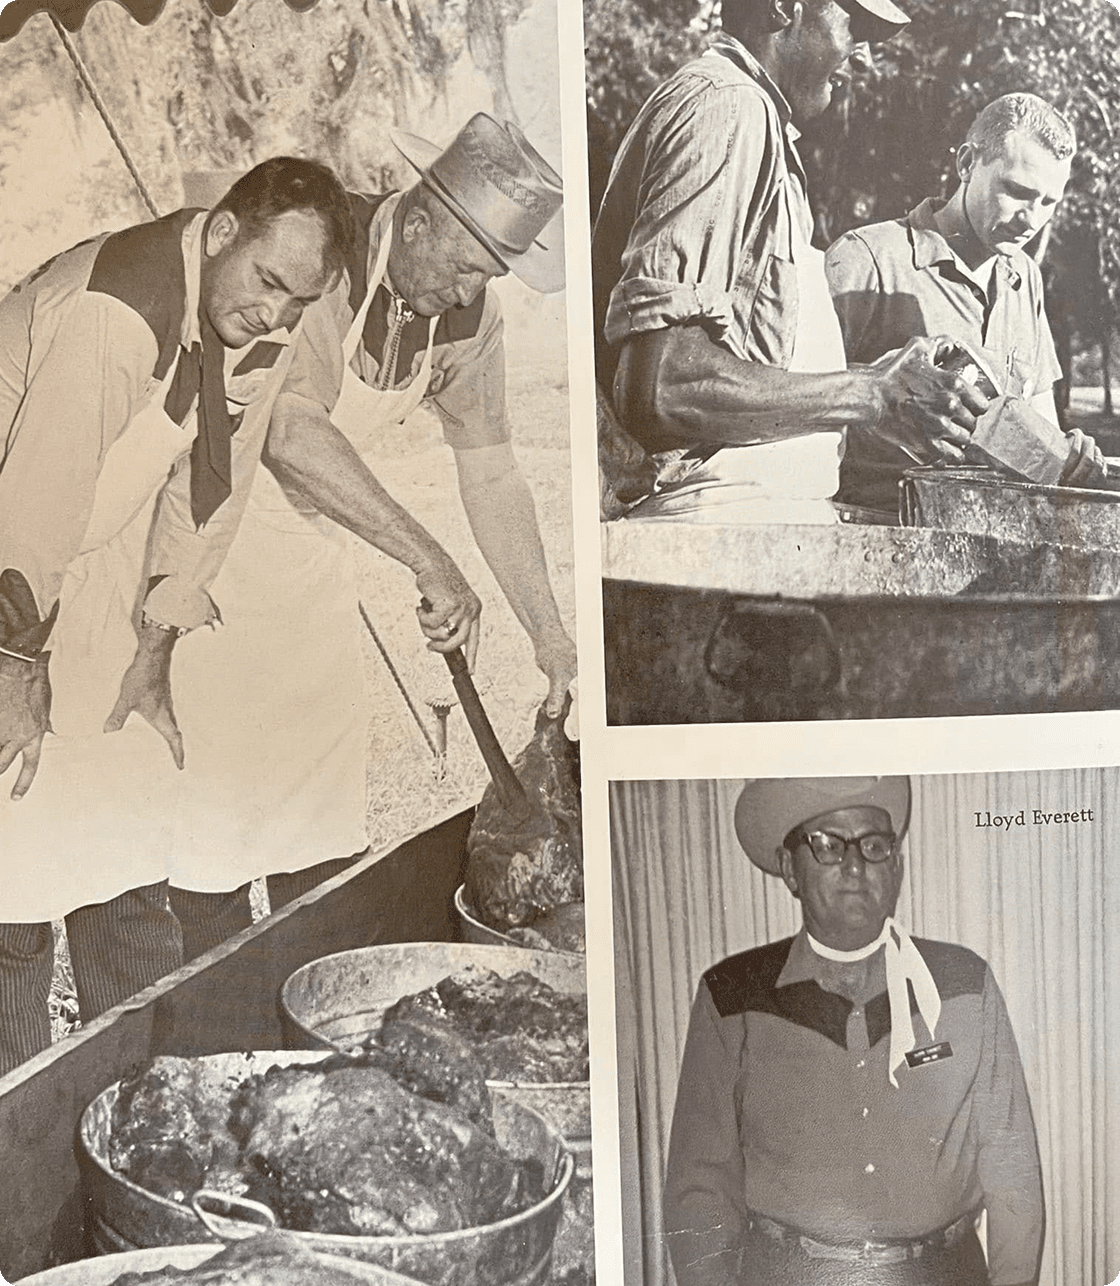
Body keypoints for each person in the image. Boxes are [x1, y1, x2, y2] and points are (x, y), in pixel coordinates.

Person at [0, 157, 482, 1074]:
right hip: (11, 565)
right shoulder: (121, 308)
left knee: (126, 853)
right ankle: (16, 1119)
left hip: (84, 556)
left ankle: (153, 1092)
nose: (275, 315)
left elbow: (207, 491)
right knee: (12, 883)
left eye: (299, 303)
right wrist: (15, 671)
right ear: (221, 232)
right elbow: (32, 508)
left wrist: (155, 645)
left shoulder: (251, 326)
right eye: (267, 282)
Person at [160, 113, 578, 947]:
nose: (471, 291)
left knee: (321, 830)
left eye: (488, 275)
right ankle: (214, 993)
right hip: (206, 544)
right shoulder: (328, 256)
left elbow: (492, 472)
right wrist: (428, 558)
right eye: (467, 266)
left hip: (311, 558)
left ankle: (318, 989)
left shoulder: (471, 319)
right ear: (418, 222)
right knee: (209, 831)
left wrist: (551, 636)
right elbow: (288, 428)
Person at [591, 0, 992, 524]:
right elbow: (661, 386)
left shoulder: (755, 119)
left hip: (748, 521)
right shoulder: (728, 106)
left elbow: (732, 363)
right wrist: (870, 394)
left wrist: (888, 383)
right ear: (784, 8)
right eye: (854, 27)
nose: (864, 57)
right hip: (709, 527)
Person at [663, 775, 1043, 1286]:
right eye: (828, 845)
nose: (855, 865)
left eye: (874, 845)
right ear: (789, 869)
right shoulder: (732, 996)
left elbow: (1012, 1169)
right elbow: (700, 1191)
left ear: (896, 866)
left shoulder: (964, 985)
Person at [826, 91, 1104, 518]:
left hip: (995, 532)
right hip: (878, 526)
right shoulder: (867, 259)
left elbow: (1041, 419)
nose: (1032, 219)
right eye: (1017, 191)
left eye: (1049, 202)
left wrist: (1069, 455)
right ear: (967, 163)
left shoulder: (1024, 277)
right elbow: (793, 407)